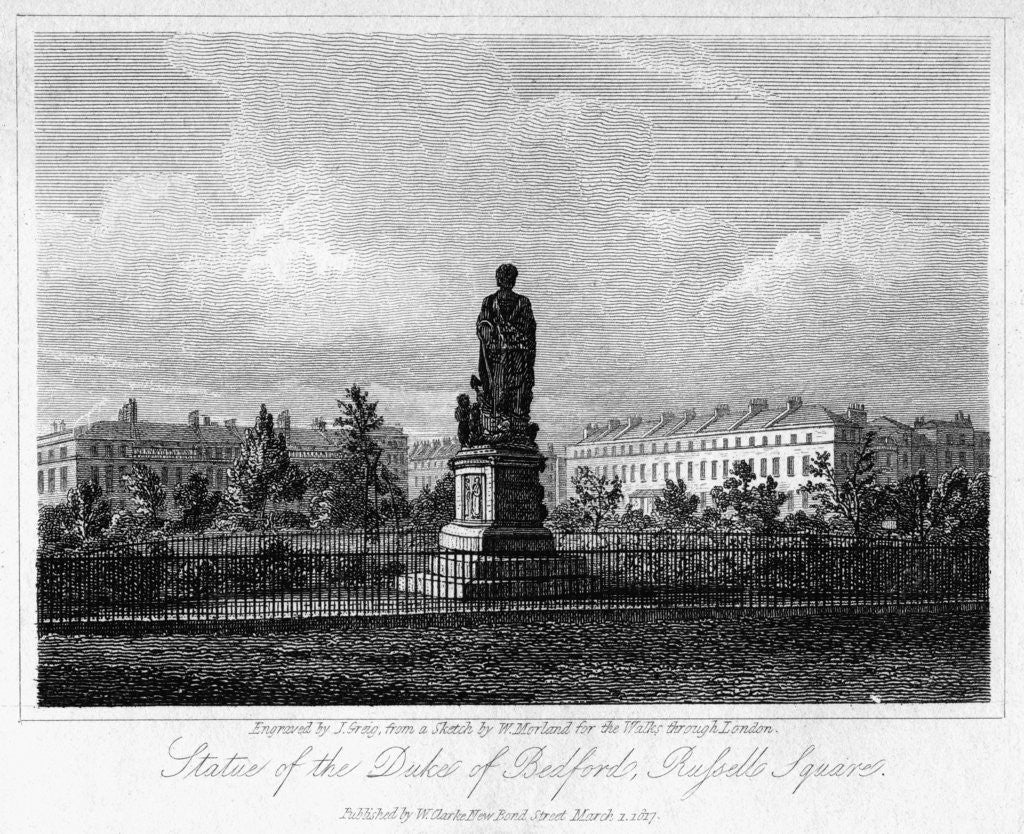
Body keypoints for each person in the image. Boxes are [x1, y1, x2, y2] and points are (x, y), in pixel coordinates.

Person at [476, 263, 536, 422]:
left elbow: (483, 329)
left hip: (502, 357)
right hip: (514, 357)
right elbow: (530, 334)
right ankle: (509, 424)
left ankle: (505, 423)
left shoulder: (490, 301)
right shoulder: (522, 302)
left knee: (503, 391)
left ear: (498, 279)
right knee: (513, 391)